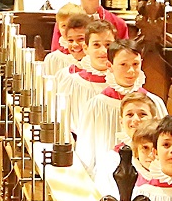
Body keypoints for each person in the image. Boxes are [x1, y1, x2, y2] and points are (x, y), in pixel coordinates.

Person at [71, 40, 166, 168]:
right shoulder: (96, 105)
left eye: (135, 64)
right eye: (123, 64)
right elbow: (85, 151)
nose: (131, 70)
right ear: (110, 66)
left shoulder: (155, 103)